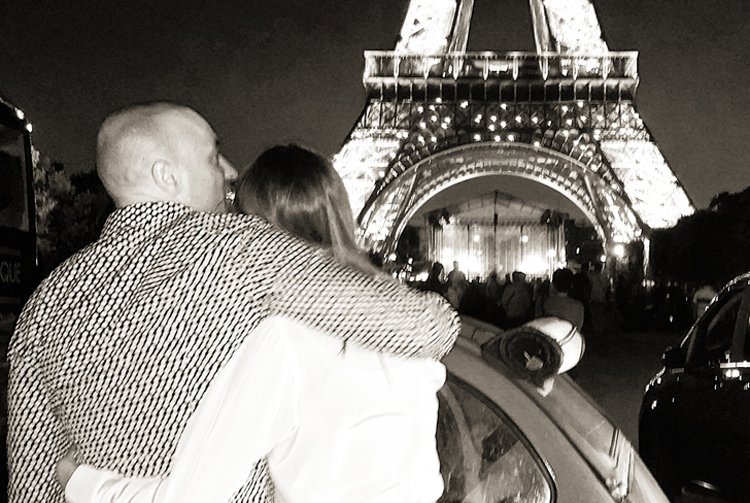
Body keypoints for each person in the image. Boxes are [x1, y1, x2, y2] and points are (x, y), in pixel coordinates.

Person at [8, 104, 459, 503]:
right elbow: (428, 328)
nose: (228, 169)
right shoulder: (247, 252)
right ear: (169, 176)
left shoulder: (45, 303)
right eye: (211, 156)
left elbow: (30, 477)